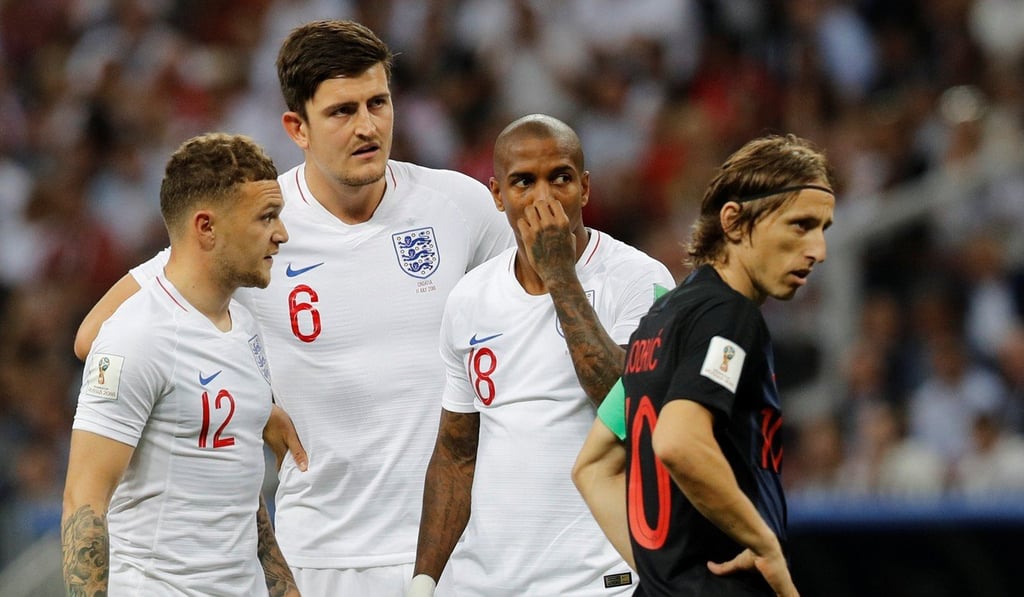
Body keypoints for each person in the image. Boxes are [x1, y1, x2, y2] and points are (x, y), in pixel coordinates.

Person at [73, 20, 514, 595]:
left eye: (378, 103)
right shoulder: (256, 224)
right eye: (341, 111)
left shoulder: (460, 206)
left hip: (461, 544)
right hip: (323, 554)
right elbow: (95, 334)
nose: (367, 126)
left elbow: (519, 325)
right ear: (296, 127)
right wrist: (249, 403)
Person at [408, 114, 675, 597]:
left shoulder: (640, 280)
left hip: (596, 582)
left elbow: (629, 408)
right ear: (496, 195)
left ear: (586, 188)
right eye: (523, 182)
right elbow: (455, 454)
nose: (544, 196)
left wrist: (559, 275)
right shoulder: (469, 298)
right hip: (482, 584)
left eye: (561, 178)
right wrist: (423, 581)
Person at [573, 133, 836, 596]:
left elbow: (593, 467)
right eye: (800, 225)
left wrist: (666, 576)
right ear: (734, 221)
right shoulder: (730, 315)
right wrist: (765, 544)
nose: (818, 250)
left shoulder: (660, 317)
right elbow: (679, 440)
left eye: (823, 229)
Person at [61, 132, 298, 596]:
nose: (281, 233)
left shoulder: (245, 328)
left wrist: (285, 589)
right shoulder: (138, 334)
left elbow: (242, 491)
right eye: (266, 217)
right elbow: (84, 502)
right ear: (206, 227)